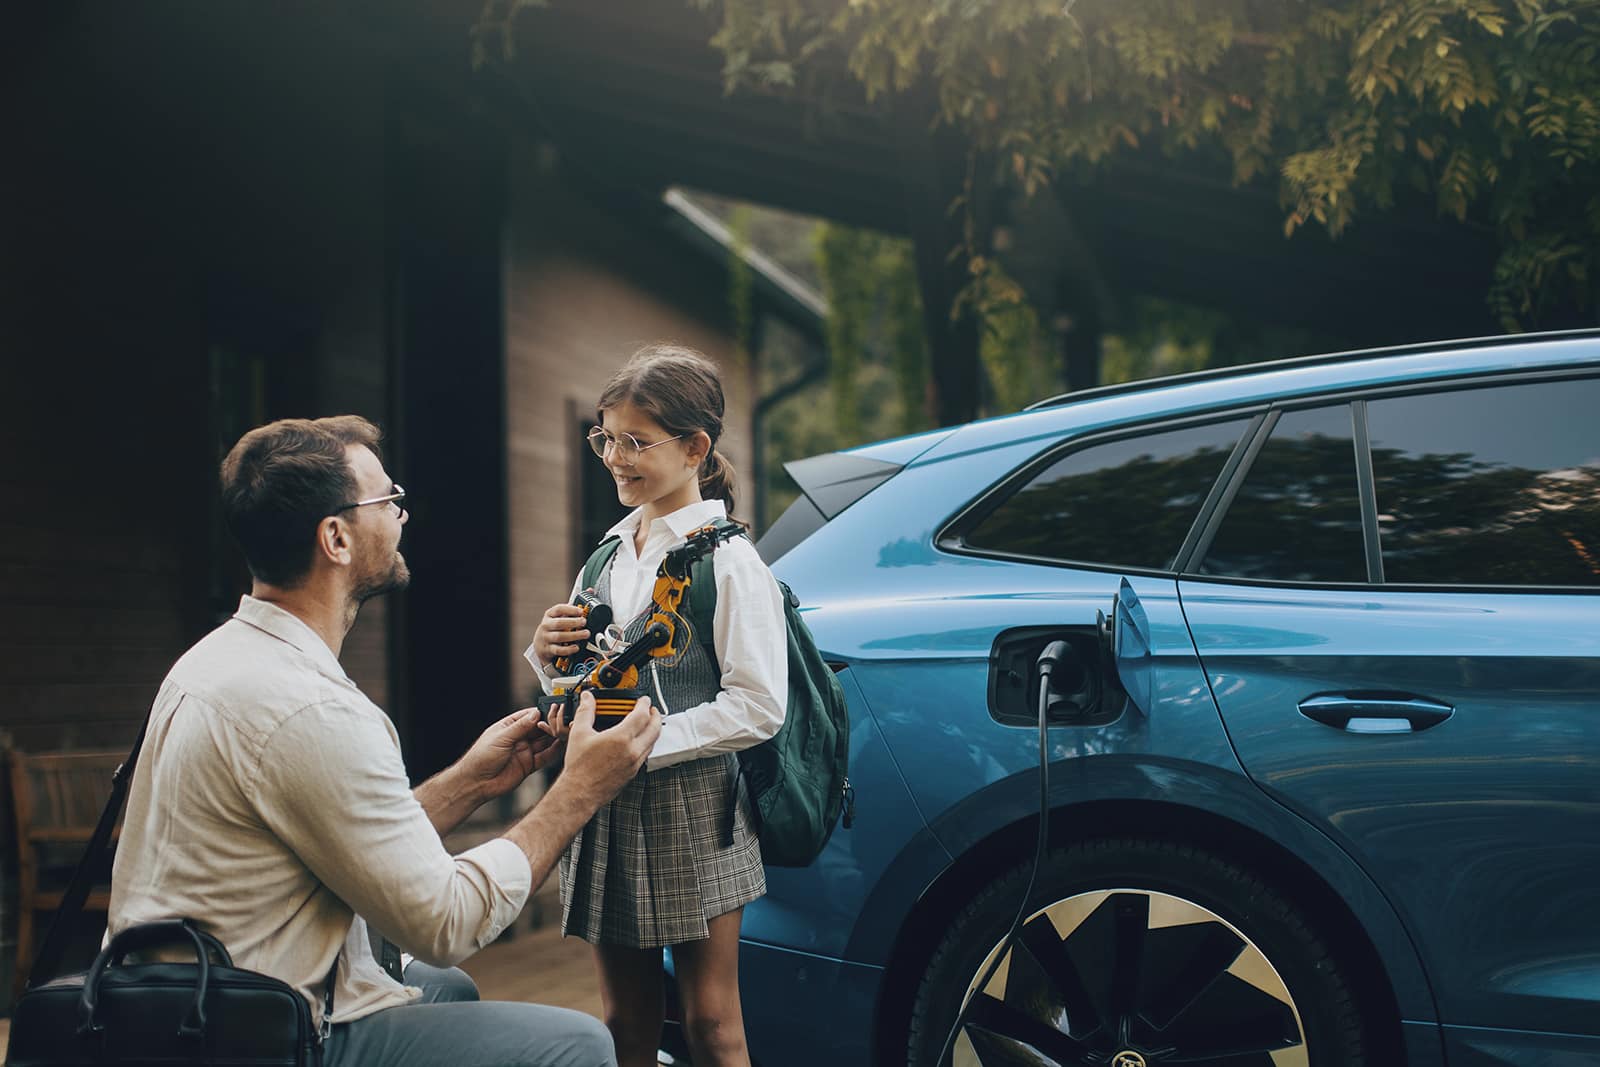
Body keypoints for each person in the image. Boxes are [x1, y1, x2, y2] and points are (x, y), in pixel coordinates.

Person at [108, 415, 662, 1067]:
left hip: (180, 1006)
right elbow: (445, 922)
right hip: (248, 1033)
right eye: (387, 498)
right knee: (576, 1043)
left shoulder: (215, 661)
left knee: (442, 991)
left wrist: (473, 782)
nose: (402, 512)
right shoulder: (311, 707)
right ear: (336, 537)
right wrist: (576, 792)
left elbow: (345, 843)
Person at [528, 345, 788, 1067]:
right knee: (623, 1021)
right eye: (605, 436)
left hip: (693, 804)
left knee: (711, 1023)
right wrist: (547, 654)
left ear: (696, 447)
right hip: (601, 799)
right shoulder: (608, 552)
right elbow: (578, 672)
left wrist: (645, 743)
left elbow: (760, 705)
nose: (615, 456)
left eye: (636, 441)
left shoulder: (730, 562)